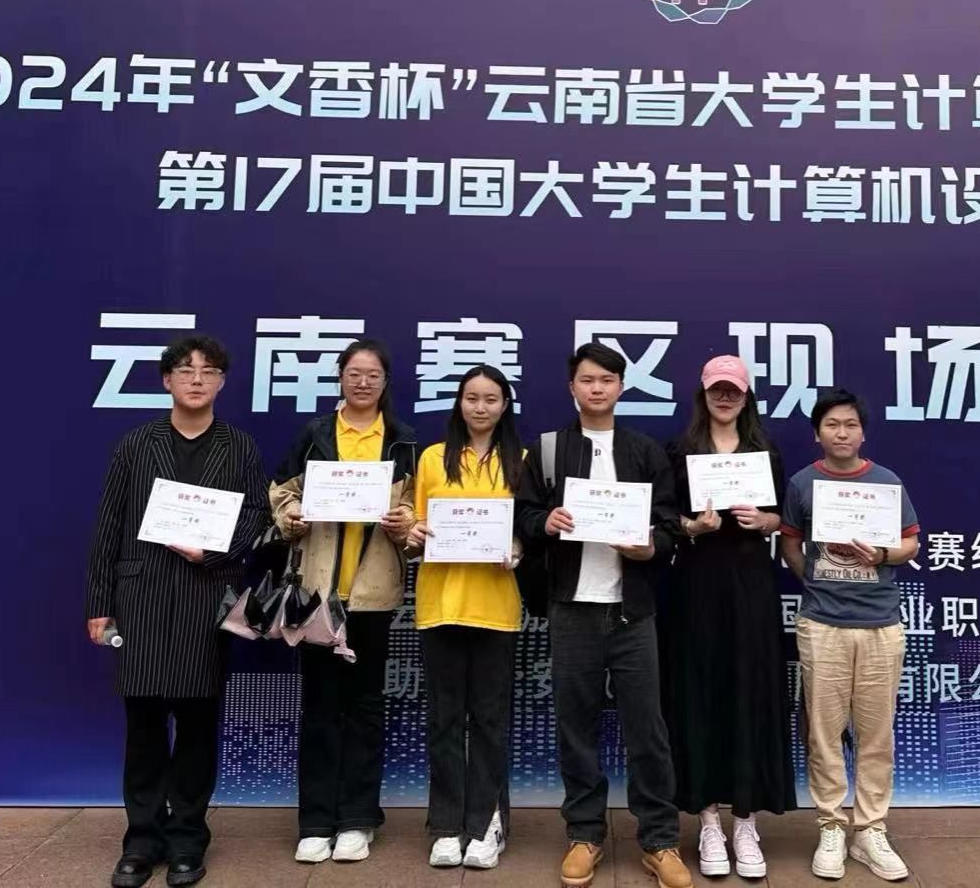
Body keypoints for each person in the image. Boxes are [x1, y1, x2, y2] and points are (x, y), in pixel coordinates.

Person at [85, 333, 271, 888]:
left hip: (205, 599)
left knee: (195, 726)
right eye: (185, 370)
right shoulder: (136, 444)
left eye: (208, 371)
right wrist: (99, 604)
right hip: (140, 598)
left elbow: (257, 518)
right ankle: (141, 841)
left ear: (222, 382)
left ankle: (188, 838)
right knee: (143, 727)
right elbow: (108, 525)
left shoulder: (239, 447)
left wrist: (212, 551)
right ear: (167, 380)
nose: (196, 379)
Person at [513, 342, 692, 888]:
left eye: (607, 380)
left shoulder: (644, 451)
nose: (597, 388)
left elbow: (669, 527)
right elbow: (523, 515)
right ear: (572, 387)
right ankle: (585, 833)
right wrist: (545, 523)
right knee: (576, 727)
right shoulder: (547, 450)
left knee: (648, 730)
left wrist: (649, 547)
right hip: (572, 608)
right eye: (587, 380)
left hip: (632, 611)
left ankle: (659, 839)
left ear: (621, 387)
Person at [270, 339, 418, 866]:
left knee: (365, 708)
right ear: (340, 377)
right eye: (354, 372)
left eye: (372, 374)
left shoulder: (402, 441)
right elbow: (281, 493)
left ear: (385, 382)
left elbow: (417, 511)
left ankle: (358, 819)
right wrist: (291, 519)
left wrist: (405, 525)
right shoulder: (315, 436)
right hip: (318, 594)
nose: (362, 382)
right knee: (319, 708)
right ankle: (315, 822)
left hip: (373, 596)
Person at [778, 389, 920, 884]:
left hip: (881, 624)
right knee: (823, 733)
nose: (842, 433)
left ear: (863, 433)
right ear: (817, 433)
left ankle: (870, 829)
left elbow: (910, 543)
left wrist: (882, 556)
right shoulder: (802, 484)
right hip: (822, 624)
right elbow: (791, 545)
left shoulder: (886, 482)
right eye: (832, 425)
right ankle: (831, 826)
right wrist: (819, 584)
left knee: (876, 734)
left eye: (851, 425)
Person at [663, 355, 795, 880]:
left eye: (733, 390)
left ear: (746, 396)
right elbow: (663, 519)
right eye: (717, 389)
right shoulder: (679, 451)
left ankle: (745, 821)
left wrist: (766, 520)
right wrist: (692, 527)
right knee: (700, 694)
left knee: (748, 692)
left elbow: (783, 518)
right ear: (703, 393)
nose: (725, 397)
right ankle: (708, 821)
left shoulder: (765, 451)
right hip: (696, 585)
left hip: (750, 586)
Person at [404, 365, 527, 872]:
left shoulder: (521, 461)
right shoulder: (433, 458)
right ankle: (446, 825)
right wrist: (412, 533)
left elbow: (528, 530)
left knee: (491, 721)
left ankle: (486, 823)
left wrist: (517, 548)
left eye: (491, 399)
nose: (480, 407)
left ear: (505, 406)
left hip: (496, 608)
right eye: (472, 398)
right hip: (440, 605)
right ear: (459, 403)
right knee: (444, 721)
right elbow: (414, 526)